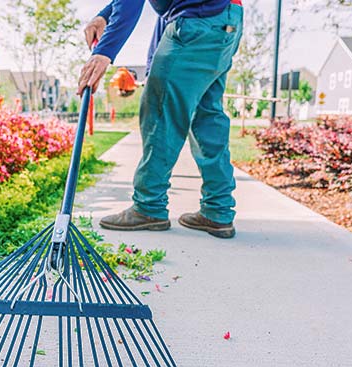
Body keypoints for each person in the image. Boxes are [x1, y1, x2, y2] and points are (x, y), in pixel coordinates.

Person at [78, 0, 243, 239]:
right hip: (226, 20)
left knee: (160, 111)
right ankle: (218, 211)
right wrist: (105, 15)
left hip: (196, 23)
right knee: (207, 116)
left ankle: (149, 206)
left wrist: (104, 51)